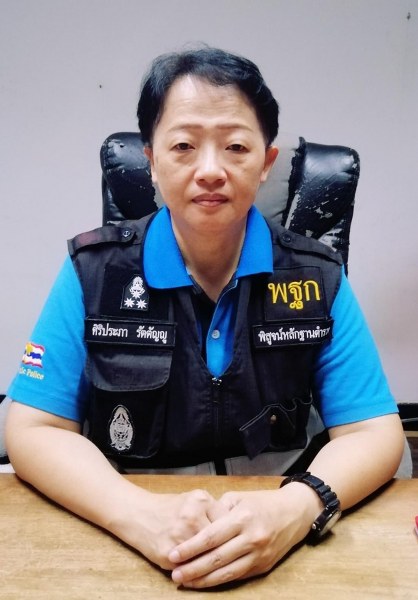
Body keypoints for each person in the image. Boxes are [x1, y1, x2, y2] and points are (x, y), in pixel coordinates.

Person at [5, 46, 404, 589]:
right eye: (184, 146)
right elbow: (33, 428)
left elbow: (374, 433)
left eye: (236, 146)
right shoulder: (94, 271)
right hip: (128, 535)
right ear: (151, 160)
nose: (211, 170)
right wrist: (138, 515)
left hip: (284, 536)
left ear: (266, 162)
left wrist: (298, 507)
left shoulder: (318, 276)